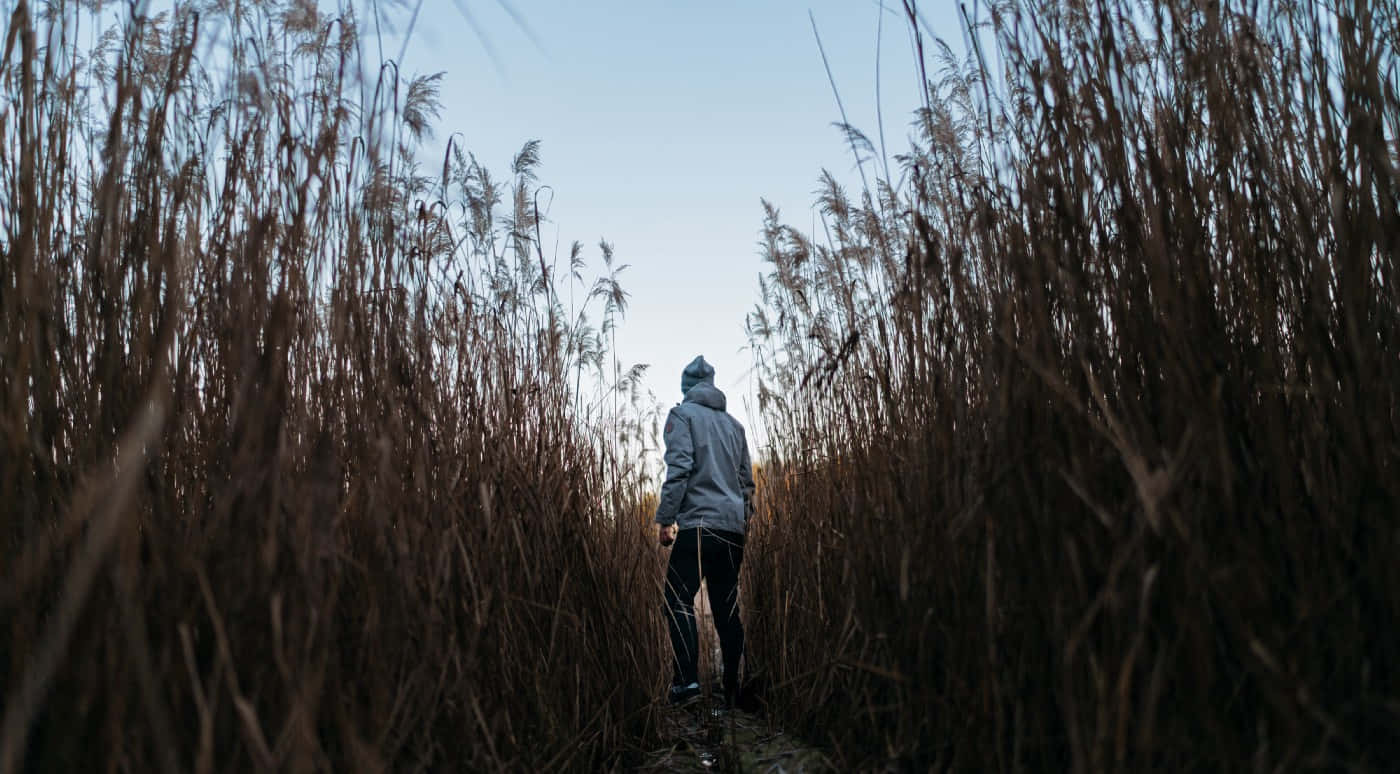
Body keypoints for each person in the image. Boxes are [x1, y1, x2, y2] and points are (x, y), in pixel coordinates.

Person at [655, 355, 756, 707]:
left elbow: (679, 468)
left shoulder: (682, 415)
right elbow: (746, 485)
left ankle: (687, 686)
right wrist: (743, 523)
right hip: (732, 530)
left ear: (686, 387)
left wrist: (666, 519)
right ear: (712, 385)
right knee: (727, 608)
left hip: (698, 525)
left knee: (677, 600)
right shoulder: (735, 425)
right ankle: (732, 690)